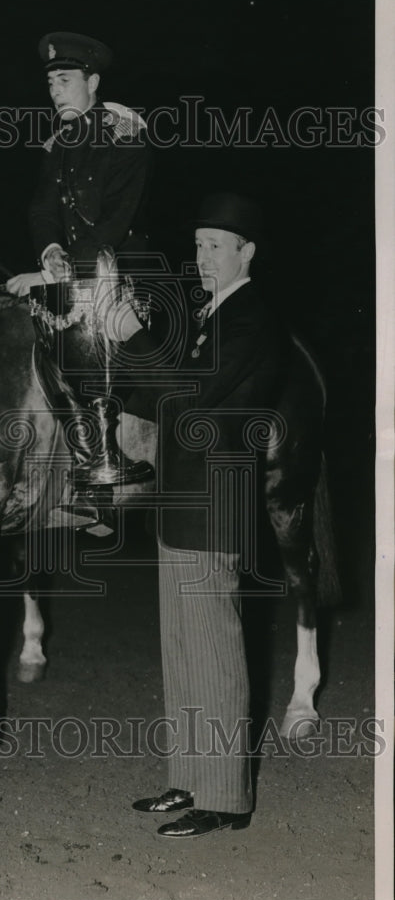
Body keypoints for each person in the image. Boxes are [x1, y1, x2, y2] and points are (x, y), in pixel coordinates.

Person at [113, 192, 292, 838]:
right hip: (180, 503)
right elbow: (157, 390)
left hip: (214, 506)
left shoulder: (250, 319)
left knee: (213, 649)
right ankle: (190, 777)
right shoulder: (204, 316)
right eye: (196, 245)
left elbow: (187, 393)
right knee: (182, 648)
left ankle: (226, 799)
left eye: (215, 246)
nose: (201, 257)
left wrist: (131, 338)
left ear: (247, 252)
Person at [5, 31, 152, 296]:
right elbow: (43, 210)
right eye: (50, 83)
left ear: (92, 83)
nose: (55, 92)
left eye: (64, 81)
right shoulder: (58, 145)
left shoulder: (125, 137)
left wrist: (52, 274)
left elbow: (114, 224)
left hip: (123, 286)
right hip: (70, 282)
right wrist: (51, 250)